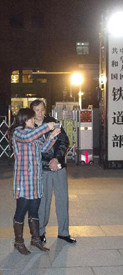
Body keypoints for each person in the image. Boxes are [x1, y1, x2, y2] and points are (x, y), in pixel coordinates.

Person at [9, 108, 61, 254]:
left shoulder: (34, 135)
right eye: (32, 118)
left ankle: (35, 239)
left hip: (35, 180)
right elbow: (28, 138)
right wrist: (47, 126)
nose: (34, 121)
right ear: (25, 120)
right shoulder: (19, 133)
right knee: (21, 211)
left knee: (34, 211)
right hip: (24, 181)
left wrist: (52, 136)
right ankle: (18, 242)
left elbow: (43, 149)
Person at [31, 100, 76, 244]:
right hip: (42, 169)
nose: (40, 113)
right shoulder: (30, 127)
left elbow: (64, 141)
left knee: (62, 199)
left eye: (42, 109)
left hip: (58, 167)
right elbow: (33, 150)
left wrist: (56, 159)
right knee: (43, 202)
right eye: (37, 110)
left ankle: (63, 232)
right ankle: (40, 232)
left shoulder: (53, 122)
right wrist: (47, 162)